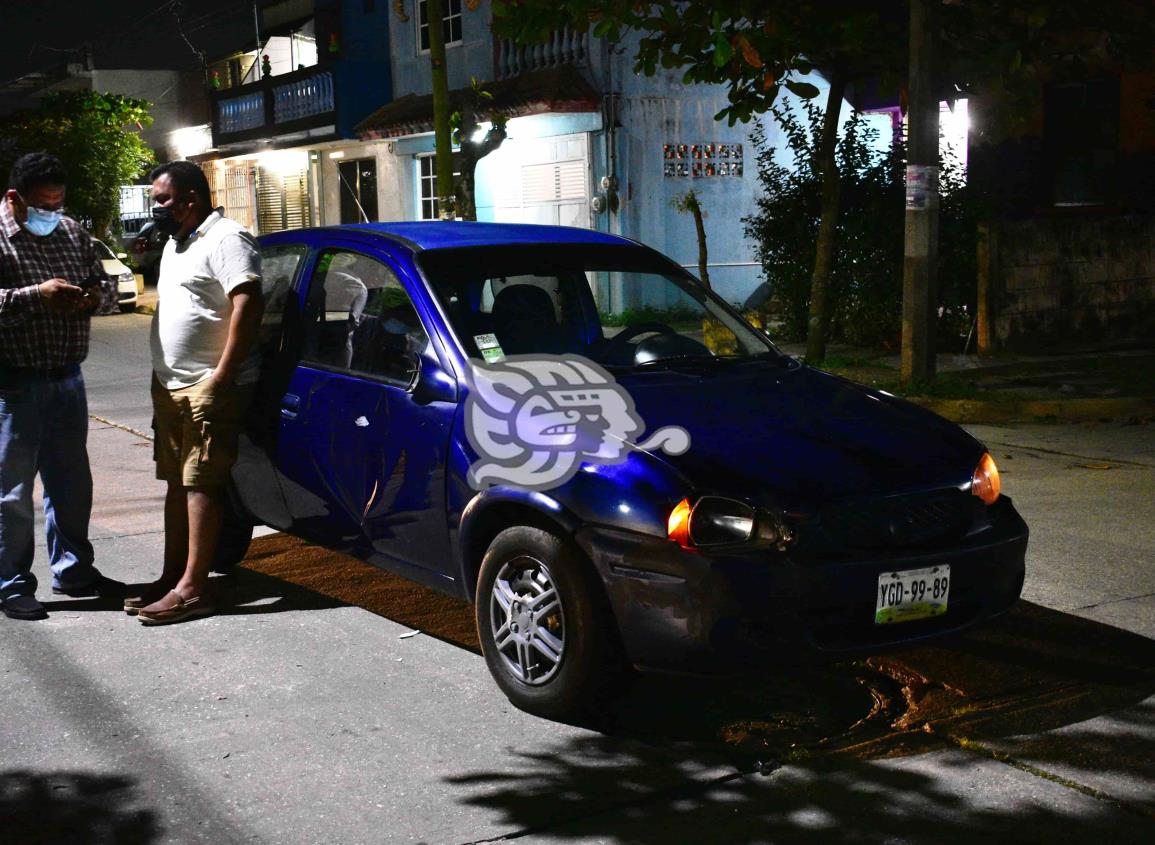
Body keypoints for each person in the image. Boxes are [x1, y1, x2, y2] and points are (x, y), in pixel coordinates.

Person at [128, 160, 264, 625]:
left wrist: (222, 376)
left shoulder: (227, 238)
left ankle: (194, 589)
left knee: (200, 483)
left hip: (206, 384)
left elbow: (247, 302)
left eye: (161, 200)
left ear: (190, 199)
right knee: (174, 482)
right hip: (169, 385)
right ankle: (172, 576)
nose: (156, 208)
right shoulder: (177, 242)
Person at [0, 152, 124, 621]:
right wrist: (38, 295)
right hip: (14, 383)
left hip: (68, 378)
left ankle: (73, 570)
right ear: (15, 198)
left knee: (71, 484)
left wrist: (93, 296)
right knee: (12, 492)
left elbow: (106, 288)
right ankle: (11, 583)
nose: (52, 214)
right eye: (42, 206)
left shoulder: (72, 232)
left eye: (57, 204)